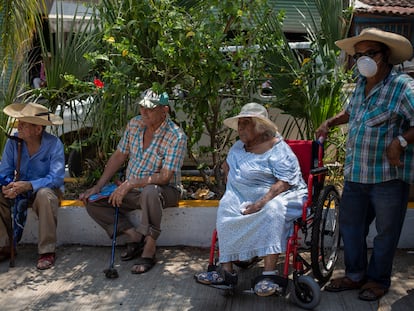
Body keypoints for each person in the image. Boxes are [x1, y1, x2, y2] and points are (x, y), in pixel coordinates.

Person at [316, 28, 414, 301]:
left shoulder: (402, 86)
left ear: (385, 56)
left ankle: (378, 281)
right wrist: (330, 122)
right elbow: (352, 111)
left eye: (369, 53)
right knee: (351, 228)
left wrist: (400, 142)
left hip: (388, 178)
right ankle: (355, 275)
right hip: (357, 174)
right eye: (359, 55)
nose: (362, 60)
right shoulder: (361, 83)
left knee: (385, 233)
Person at [194, 102, 308, 296]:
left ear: (260, 126)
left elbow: (284, 183)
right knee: (226, 205)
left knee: (273, 209)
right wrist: (229, 172)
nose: (240, 128)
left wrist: (260, 204)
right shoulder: (239, 147)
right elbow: (229, 164)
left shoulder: (278, 149)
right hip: (244, 195)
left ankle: (269, 274)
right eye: (239, 124)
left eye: (246, 123)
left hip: (279, 195)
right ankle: (226, 272)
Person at [80, 89, 187, 274]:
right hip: (132, 189)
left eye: (150, 109)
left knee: (151, 191)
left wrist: (131, 183)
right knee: (92, 201)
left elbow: (164, 177)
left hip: (163, 191)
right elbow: (119, 155)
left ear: (165, 110)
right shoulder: (135, 124)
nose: (143, 112)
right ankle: (134, 235)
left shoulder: (176, 136)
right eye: (142, 107)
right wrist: (98, 186)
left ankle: (150, 247)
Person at [0, 102, 65, 269]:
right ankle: (5, 246)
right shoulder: (13, 142)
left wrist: (29, 185)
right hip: (19, 189)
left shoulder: (54, 144)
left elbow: (56, 178)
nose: (18, 127)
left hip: (45, 190)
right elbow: (4, 171)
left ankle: (47, 251)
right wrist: (8, 186)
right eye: (19, 122)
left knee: (44, 195)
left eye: (23, 124)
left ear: (38, 130)